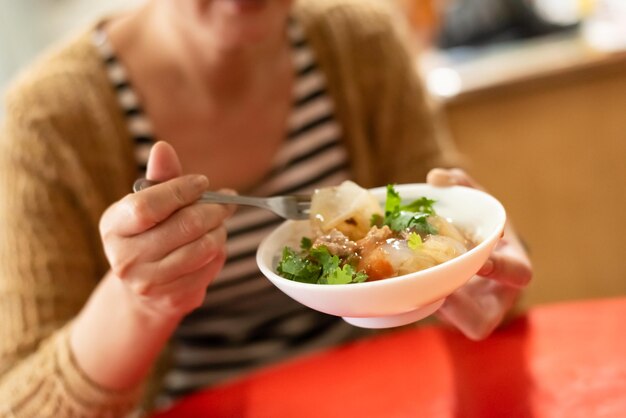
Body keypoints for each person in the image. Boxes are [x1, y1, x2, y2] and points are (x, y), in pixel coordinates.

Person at [0, 0, 532, 416]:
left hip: (390, 394)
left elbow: (446, 219)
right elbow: (18, 401)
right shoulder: (48, 123)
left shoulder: (361, 43)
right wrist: (141, 303)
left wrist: (477, 271)